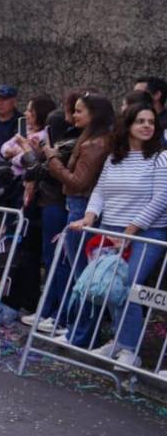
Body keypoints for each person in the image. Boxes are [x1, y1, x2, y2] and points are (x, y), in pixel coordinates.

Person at [61, 103, 167, 364]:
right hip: (110, 229)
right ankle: (119, 340)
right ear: (128, 125)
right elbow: (99, 191)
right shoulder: (113, 158)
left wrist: (131, 231)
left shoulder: (161, 158)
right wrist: (89, 217)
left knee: (129, 285)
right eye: (140, 121)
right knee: (110, 285)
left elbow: (161, 199)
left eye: (150, 122)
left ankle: (131, 351)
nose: (146, 126)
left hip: (147, 233)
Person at [23, 93, 114, 334]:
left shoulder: (95, 144)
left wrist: (52, 158)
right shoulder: (90, 140)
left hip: (80, 208)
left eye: (79, 111)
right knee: (73, 268)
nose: (74, 116)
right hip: (75, 206)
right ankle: (70, 324)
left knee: (79, 272)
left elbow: (77, 182)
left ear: (94, 114)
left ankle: (75, 327)